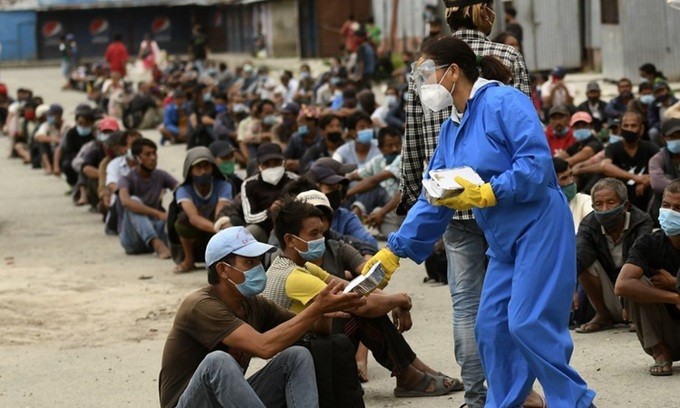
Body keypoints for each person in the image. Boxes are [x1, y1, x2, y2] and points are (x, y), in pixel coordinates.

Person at [365, 36, 596, 407]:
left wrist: (491, 191)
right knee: (490, 329)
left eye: (427, 73)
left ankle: (576, 402)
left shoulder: (505, 101)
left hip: (540, 228)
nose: (423, 84)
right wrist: (392, 253)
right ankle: (503, 403)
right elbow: (434, 196)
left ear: (452, 72)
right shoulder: (451, 129)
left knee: (528, 324)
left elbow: (537, 165)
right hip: (502, 239)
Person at [400, 2, 531, 406]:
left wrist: (417, 194)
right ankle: (513, 394)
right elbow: (522, 130)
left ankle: (480, 397)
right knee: (509, 305)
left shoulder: (425, 65)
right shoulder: (507, 57)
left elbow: (411, 139)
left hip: (455, 208)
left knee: (468, 308)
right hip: (504, 207)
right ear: (486, 13)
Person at [263, 199, 463, 398]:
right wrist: (399, 299)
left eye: (321, 232)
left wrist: (394, 299)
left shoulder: (301, 265)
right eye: (313, 234)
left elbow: (352, 287)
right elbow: (361, 304)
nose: (320, 239)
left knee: (362, 308)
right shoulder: (294, 277)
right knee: (362, 314)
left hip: (312, 342)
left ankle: (414, 373)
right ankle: (411, 376)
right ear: (290, 240)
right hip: (297, 358)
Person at [158, 226, 365, 408]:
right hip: (189, 403)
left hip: (224, 401)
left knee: (297, 356)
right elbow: (264, 347)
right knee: (218, 361)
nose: (258, 267)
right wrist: (315, 309)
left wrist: (322, 312)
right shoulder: (201, 305)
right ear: (223, 269)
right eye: (249, 262)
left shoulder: (253, 303)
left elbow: (315, 330)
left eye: (258, 261)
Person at [615, 179, 680, 376]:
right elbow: (622, 285)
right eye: (666, 205)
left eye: (678, 207)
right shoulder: (649, 243)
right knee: (636, 283)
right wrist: (674, 297)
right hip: (667, 328)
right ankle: (660, 352)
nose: (669, 212)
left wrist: (675, 283)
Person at [575, 178, 653, 334]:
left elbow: (639, 259)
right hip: (609, 290)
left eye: (611, 202)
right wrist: (570, 289)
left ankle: (636, 315)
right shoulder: (588, 224)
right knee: (585, 265)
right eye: (598, 204)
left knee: (639, 266)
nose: (604, 209)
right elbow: (580, 255)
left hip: (635, 289)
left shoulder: (641, 221)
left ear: (625, 206)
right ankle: (603, 315)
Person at [171, 147, 233, 273]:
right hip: (198, 238)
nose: (203, 171)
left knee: (228, 220)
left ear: (213, 168)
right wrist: (217, 229)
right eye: (198, 168)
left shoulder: (224, 185)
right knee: (183, 220)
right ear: (190, 171)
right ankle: (189, 260)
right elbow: (193, 218)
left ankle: (227, 261)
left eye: (206, 166)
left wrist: (220, 229)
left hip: (217, 235)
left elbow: (220, 213)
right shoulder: (183, 190)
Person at [117, 138, 177, 258]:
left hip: (156, 228)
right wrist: (158, 214)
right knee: (134, 201)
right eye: (147, 154)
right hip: (132, 239)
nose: (153, 157)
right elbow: (125, 201)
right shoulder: (127, 179)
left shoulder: (161, 175)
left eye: (154, 153)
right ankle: (156, 244)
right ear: (137, 158)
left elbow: (181, 190)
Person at [239, 142, 297, 242]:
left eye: (276, 163)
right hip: (263, 230)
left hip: (291, 227)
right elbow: (249, 217)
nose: (272, 167)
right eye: (267, 164)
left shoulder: (294, 181)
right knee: (251, 231)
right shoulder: (249, 184)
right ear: (258, 166)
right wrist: (270, 211)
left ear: (283, 162)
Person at [601, 110, 659, 211]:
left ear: (641, 129)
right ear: (620, 129)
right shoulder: (613, 148)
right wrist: (636, 178)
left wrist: (648, 180)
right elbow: (605, 166)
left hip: (645, 200)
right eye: (626, 126)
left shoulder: (650, 147)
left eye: (633, 126)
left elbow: (662, 169)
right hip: (620, 201)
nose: (629, 129)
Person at [649, 118, 680, 219]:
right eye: (672, 137)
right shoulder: (657, 158)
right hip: (666, 208)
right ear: (663, 138)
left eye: (679, 136)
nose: (677, 139)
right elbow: (657, 183)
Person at [553, 157, 593, 233]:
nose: (571, 181)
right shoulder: (541, 210)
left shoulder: (585, 201)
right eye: (564, 178)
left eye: (571, 174)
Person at [648, 82, 679, 148]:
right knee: (652, 132)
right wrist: (661, 126)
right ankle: (659, 149)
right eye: (658, 92)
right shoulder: (653, 105)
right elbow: (652, 121)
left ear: (667, 90)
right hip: (661, 128)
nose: (661, 94)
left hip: (677, 127)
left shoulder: (677, 102)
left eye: (662, 90)